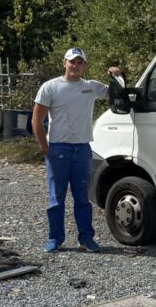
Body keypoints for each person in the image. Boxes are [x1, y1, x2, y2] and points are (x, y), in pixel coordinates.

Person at [32, 47, 121, 253]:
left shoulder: (91, 87)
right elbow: (37, 119)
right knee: (56, 198)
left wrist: (116, 75)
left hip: (82, 149)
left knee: (82, 197)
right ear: (64, 63)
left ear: (85, 66)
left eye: (80, 62)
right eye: (72, 61)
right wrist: (44, 148)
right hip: (58, 149)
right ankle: (55, 238)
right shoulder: (50, 87)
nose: (75, 65)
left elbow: (116, 95)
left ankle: (86, 238)